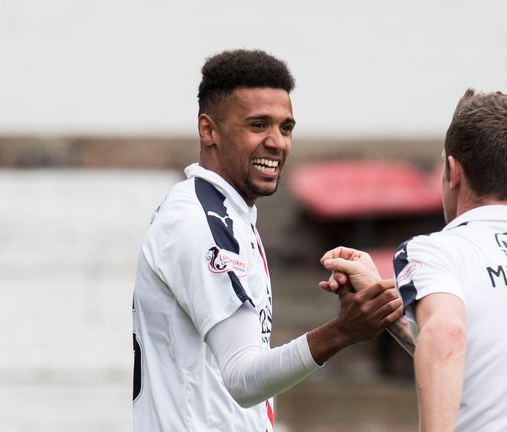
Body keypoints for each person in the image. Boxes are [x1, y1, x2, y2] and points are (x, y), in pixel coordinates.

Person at [131, 49, 402, 431]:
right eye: (259, 126)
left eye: (286, 128)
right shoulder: (201, 222)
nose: (277, 143)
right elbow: (243, 378)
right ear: (208, 130)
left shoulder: (231, 216)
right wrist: (342, 331)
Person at [321, 89, 507, 431]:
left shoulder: (436, 251)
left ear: (453, 171)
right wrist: (388, 307)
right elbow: (477, 364)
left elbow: (445, 333)